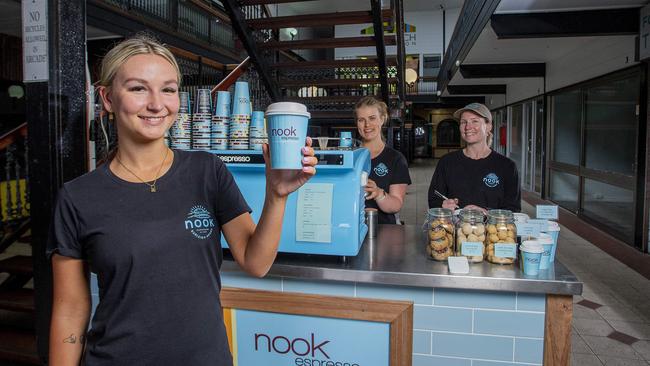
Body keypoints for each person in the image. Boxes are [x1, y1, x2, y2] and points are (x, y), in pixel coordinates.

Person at [47, 35, 317, 366]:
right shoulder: (78, 197)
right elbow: (70, 310)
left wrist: (277, 195)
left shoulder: (207, 171)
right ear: (107, 98)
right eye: (137, 88)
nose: (156, 104)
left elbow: (255, 262)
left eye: (169, 89)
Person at [428, 103, 520, 213]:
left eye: (474, 121)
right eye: (463, 122)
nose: (468, 127)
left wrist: (487, 213)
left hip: (492, 229)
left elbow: (513, 209)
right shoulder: (447, 162)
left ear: (488, 126)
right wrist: (443, 205)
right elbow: (434, 199)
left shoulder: (507, 166)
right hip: (455, 228)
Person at [355, 96, 411, 224]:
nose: (367, 125)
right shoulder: (350, 156)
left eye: (372, 118)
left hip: (383, 230)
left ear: (382, 119)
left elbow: (396, 204)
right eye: (361, 120)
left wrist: (378, 194)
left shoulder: (395, 159)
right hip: (349, 227)